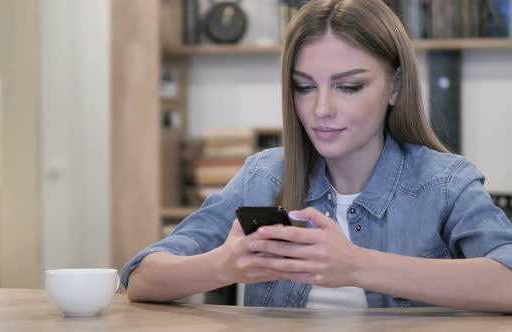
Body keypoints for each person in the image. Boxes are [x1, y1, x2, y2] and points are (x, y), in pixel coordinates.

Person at [121, 0, 512, 312]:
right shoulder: (264, 176)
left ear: (395, 87)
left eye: (349, 86)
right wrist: (224, 264)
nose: (321, 108)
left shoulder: (445, 183)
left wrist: (357, 266)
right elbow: (141, 277)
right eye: (305, 87)